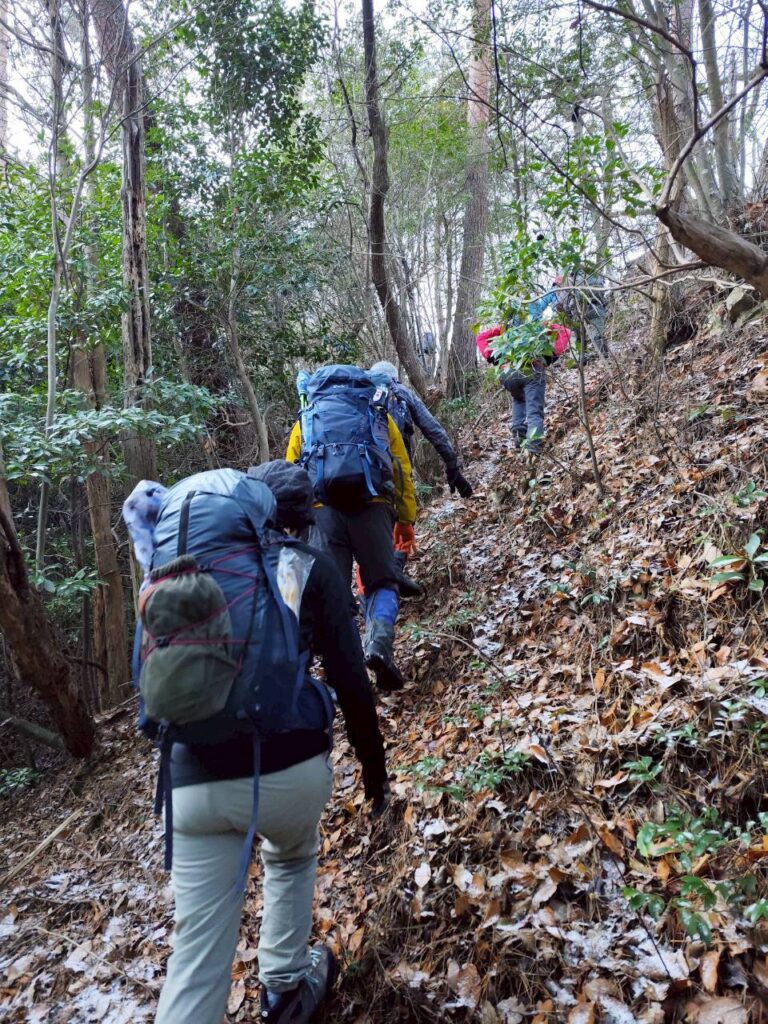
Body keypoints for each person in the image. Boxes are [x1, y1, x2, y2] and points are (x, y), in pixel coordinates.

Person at [150, 460, 388, 1024]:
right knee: (290, 853)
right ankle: (284, 987)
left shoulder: (194, 570)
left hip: (191, 779)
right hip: (287, 768)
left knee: (196, 950)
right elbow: (351, 682)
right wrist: (374, 774)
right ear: (305, 519)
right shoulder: (311, 567)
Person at [287, 364, 416, 692]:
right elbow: (400, 468)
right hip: (372, 506)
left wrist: (297, 530)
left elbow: (291, 474)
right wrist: (406, 518)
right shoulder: (376, 413)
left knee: (334, 595)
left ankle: (347, 675)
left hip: (323, 513)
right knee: (382, 582)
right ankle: (378, 646)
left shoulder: (307, 419)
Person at [368, 360, 473, 499]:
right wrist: (453, 468)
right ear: (395, 378)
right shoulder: (402, 392)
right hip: (395, 468)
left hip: (358, 469)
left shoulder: (358, 394)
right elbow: (434, 431)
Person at [476, 312, 570, 455]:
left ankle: (519, 438)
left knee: (519, 398)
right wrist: (552, 356)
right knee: (534, 411)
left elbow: (480, 337)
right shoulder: (538, 324)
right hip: (532, 368)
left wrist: (493, 357)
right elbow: (565, 332)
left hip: (507, 372)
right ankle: (533, 449)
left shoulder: (505, 327)